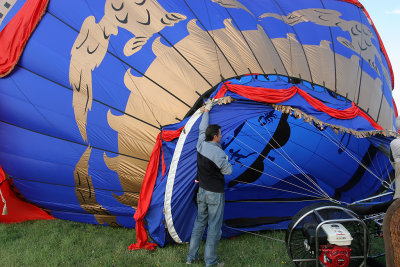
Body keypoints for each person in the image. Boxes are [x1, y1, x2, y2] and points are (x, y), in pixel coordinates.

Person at [186, 100, 232, 267]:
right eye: (220, 134)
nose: (221, 135)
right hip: (215, 194)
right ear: (215, 137)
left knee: (199, 223)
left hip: (202, 191)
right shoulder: (218, 153)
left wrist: (206, 111)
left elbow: (201, 129)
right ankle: (211, 262)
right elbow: (228, 171)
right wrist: (226, 158)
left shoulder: (201, 144)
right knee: (214, 227)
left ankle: (190, 257)